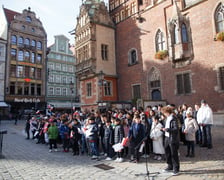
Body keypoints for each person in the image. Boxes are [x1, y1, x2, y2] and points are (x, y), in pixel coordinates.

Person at [161, 106, 180, 176]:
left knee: (174, 154)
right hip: (167, 137)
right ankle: (170, 166)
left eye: (164, 113)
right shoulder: (168, 118)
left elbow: (175, 129)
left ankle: (176, 169)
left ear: (167, 112)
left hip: (172, 138)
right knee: (167, 152)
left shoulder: (173, 118)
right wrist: (163, 129)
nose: (164, 114)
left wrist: (167, 129)